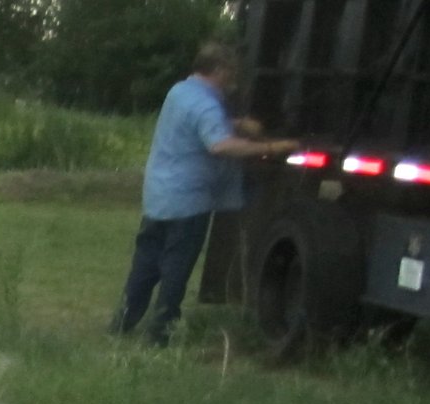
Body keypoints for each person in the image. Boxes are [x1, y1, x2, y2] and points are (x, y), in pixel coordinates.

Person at [111, 44, 299, 346]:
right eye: (231, 72)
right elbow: (219, 145)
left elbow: (196, 123)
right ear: (219, 70)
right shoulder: (208, 105)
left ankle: (123, 322)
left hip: (158, 194)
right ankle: (160, 334)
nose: (233, 80)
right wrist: (270, 148)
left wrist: (237, 124)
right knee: (176, 268)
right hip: (188, 201)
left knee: (145, 262)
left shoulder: (180, 92)